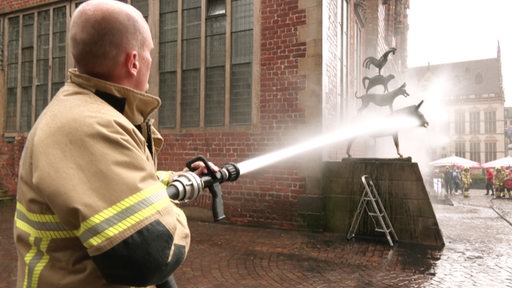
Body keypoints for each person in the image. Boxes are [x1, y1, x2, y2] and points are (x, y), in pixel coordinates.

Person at [14, 1, 213, 287]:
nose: (150, 60)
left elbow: (114, 184)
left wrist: (183, 179)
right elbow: (154, 252)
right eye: (149, 53)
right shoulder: (90, 128)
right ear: (133, 61)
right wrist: (167, 212)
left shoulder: (89, 112)